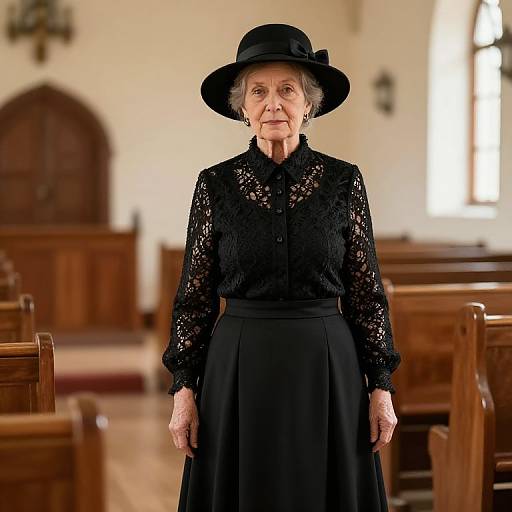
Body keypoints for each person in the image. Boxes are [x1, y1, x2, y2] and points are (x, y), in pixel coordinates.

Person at [162, 22, 401, 512]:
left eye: (287, 90)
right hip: (237, 368)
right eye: (259, 92)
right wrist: (183, 390)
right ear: (242, 108)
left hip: (327, 365)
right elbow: (193, 297)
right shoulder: (215, 186)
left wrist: (381, 387)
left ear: (309, 104)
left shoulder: (343, 182)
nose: (273, 103)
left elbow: (366, 293)